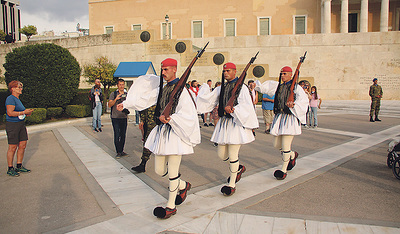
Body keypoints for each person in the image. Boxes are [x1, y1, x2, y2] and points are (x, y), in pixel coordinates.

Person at [117, 58, 200, 219]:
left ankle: (170, 206)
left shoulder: (182, 90)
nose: (163, 73)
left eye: (166, 70)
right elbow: (146, 99)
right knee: (159, 170)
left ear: (175, 70)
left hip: (176, 133)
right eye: (162, 70)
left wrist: (172, 119)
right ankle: (183, 186)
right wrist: (126, 104)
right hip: (162, 133)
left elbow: (189, 113)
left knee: (173, 170)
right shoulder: (163, 88)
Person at [197, 62, 258, 196]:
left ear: (235, 72)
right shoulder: (221, 88)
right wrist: (202, 92)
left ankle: (232, 184)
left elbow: (246, 105)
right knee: (221, 154)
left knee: (233, 154)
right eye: (224, 71)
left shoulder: (242, 88)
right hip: (224, 124)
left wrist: (234, 109)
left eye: (228, 71)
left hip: (235, 123)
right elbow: (210, 99)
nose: (226, 73)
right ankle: (238, 168)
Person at [255, 66, 309, 180]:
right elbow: (266, 89)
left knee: (285, 145)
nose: (282, 76)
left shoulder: (296, 87)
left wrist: (294, 105)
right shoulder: (279, 86)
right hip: (279, 117)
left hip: (289, 118)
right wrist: (256, 86)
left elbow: (303, 101)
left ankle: (283, 169)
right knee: (276, 145)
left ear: (290, 75)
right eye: (281, 73)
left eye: (285, 73)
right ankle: (292, 155)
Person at [5, 81, 34, 176]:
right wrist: (23, 112)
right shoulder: (10, 99)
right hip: (12, 125)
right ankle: (10, 168)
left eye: (21, 87)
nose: (21, 89)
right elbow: (10, 113)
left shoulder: (17, 99)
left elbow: (21, 112)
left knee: (22, 145)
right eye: (19, 87)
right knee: (12, 147)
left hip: (21, 124)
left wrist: (27, 112)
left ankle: (19, 166)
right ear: (12, 89)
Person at [131, 104, 157, 173]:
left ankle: (169, 164)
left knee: (162, 144)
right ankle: (143, 164)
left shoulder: (159, 95)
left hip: (158, 123)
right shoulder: (148, 96)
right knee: (147, 143)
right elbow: (143, 107)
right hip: (148, 123)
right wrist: (142, 120)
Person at [108, 79, 129, 158]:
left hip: (123, 117)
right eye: (120, 84)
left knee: (123, 135)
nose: (121, 86)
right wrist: (116, 99)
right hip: (115, 117)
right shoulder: (113, 94)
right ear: (117, 85)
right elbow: (110, 104)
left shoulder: (127, 94)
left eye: (123, 84)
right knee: (117, 134)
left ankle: (121, 150)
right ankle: (118, 152)